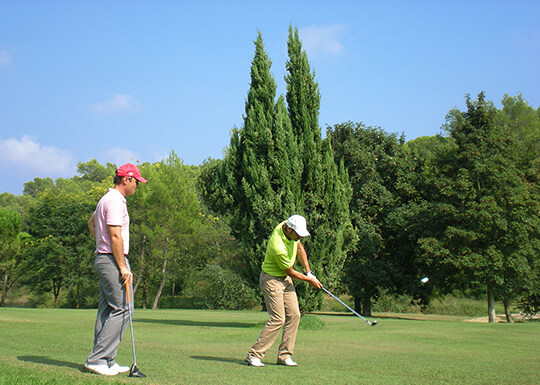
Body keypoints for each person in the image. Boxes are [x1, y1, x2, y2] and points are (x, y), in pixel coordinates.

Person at [84, 163, 147, 376]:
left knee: (108, 309)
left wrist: (99, 246)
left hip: (105, 257)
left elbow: (92, 223)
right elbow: (114, 236)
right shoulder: (114, 202)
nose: (137, 185)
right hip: (112, 259)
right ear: (126, 179)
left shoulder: (106, 199)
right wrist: (122, 265)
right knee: (123, 308)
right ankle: (97, 359)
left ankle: (107, 359)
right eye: (136, 181)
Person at [245, 214, 322, 367]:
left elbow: (299, 247)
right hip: (271, 279)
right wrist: (311, 281)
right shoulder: (277, 245)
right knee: (278, 318)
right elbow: (291, 272)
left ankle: (284, 356)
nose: (299, 237)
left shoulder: (289, 229)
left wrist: (309, 272)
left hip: (284, 280)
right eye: (298, 234)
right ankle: (254, 355)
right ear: (288, 229)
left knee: (294, 314)